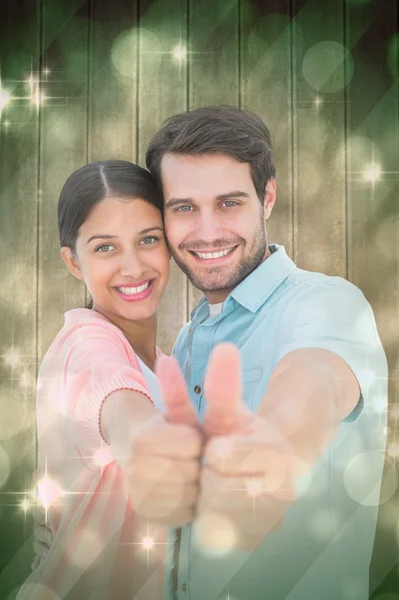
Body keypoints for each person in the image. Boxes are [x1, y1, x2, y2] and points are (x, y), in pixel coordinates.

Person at [33, 106, 388, 600]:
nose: (206, 231)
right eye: (183, 208)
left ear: (267, 197)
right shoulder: (184, 344)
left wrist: (273, 443)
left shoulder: (326, 303)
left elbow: (314, 383)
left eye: (228, 203)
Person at [18, 159, 219, 600]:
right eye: (105, 247)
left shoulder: (172, 364)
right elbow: (129, 419)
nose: (132, 267)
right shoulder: (85, 347)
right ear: (73, 261)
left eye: (148, 240)